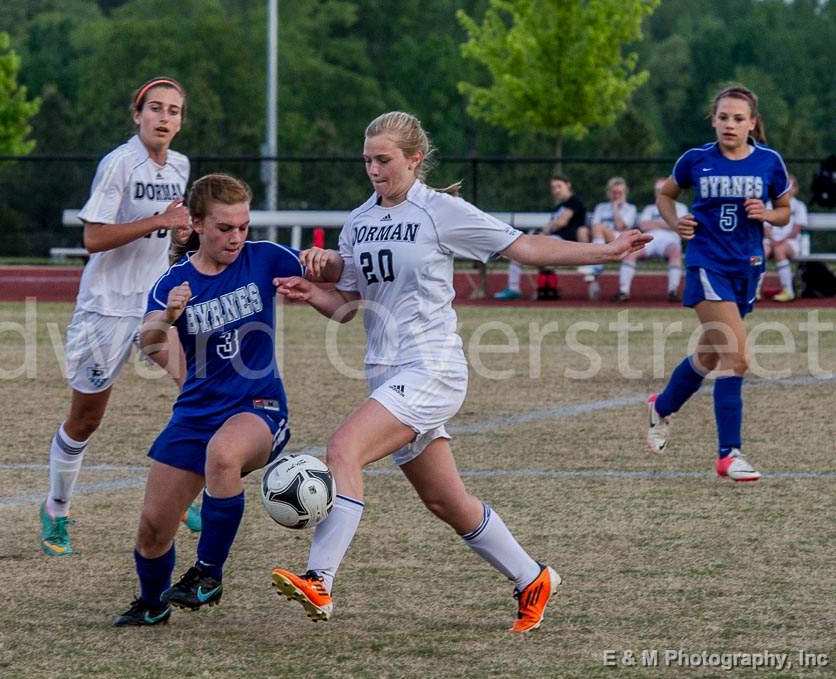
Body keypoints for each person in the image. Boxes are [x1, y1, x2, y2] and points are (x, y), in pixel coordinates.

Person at [271, 111, 650, 632]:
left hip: (432, 367)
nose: (375, 170)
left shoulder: (439, 211)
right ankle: (531, 577)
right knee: (445, 499)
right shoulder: (358, 221)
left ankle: (320, 580)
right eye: (367, 161)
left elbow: (527, 248)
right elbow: (347, 307)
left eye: (384, 160)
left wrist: (603, 250)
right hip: (387, 373)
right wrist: (313, 291)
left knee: (343, 450)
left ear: (414, 159)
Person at [112, 173, 341, 626]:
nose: (236, 238)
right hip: (196, 413)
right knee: (153, 530)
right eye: (224, 228)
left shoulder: (264, 258)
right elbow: (148, 339)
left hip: (259, 407)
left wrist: (324, 259)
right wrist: (169, 316)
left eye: (243, 226)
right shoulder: (174, 282)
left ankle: (208, 574)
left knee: (223, 455)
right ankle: (152, 605)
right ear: (197, 224)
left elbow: (334, 271)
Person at [39, 77, 197, 557]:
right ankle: (56, 509)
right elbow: (94, 239)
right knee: (85, 421)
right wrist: (159, 222)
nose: (164, 118)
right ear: (137, 114)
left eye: (174, 110)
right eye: (155, 108)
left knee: (195, 388)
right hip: (104, 308)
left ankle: (192, 495)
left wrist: (183, 236)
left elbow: (170, 236)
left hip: (152, 304)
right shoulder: (118, 164)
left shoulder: (181, 166)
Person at [647, 84, 791, 482]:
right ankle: (729, 454)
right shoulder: (696, 160)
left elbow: (785, 212)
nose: (730, 124)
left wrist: (767, 213)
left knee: (709, 357)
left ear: (753, 124)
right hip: (706, 265)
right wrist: (677, 223)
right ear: (713, 120)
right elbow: (666, 196)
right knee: (737, 357)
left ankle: (661, 407)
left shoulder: (769, 162)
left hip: (747, 267)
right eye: (723, 117)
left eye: (739, 118)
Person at [494, 174, 588, 300]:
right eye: (553, 187)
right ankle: (515, 289)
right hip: (554, 241)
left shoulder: (574, 201)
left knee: (519, 252)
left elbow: (562, 222)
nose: (556, 190)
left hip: (564, 243)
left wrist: (544, 231)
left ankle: (514, 288)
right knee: (517, 255)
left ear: (568, 185)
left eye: (559, 186)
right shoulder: (559, 206)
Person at [613, 177, 686, 303]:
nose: (659, 192)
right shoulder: (649, 208)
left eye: (662, 189)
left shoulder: (680, 207)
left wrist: (659, 223)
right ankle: (623, 292)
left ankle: (672, 291)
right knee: (630, 253)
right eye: (657, 190)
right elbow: (644, 225)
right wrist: (669, 222)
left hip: (669, 243)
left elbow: (679, 226)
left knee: (676, 251)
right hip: (649, 240)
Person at [585, 177, 637, 299]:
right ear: (608, 193)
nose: (616, 195)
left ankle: (596, 265)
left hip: (621, 238)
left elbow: (622, 227)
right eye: (614, 192)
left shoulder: (630, 208)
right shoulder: (600, 207)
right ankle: (594, 271)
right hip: (602, 240)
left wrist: (615, 208)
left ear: (625, 193)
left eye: (620, 193)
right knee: (594, 229)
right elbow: (594, 228)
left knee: (599, 227)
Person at [763, 174, 807, 301]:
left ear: (795, 189)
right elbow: (766, 228)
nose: (787, 190)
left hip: (790, 243)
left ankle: (788, 291)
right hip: (770, 241)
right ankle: (754, 290)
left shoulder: (799, 206)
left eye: (791, 186)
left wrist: (778, 241)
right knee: (758, 254)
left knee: (779, 250)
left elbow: (796, 230)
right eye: (785, 186)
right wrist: (772, 240)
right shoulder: (770, 204)